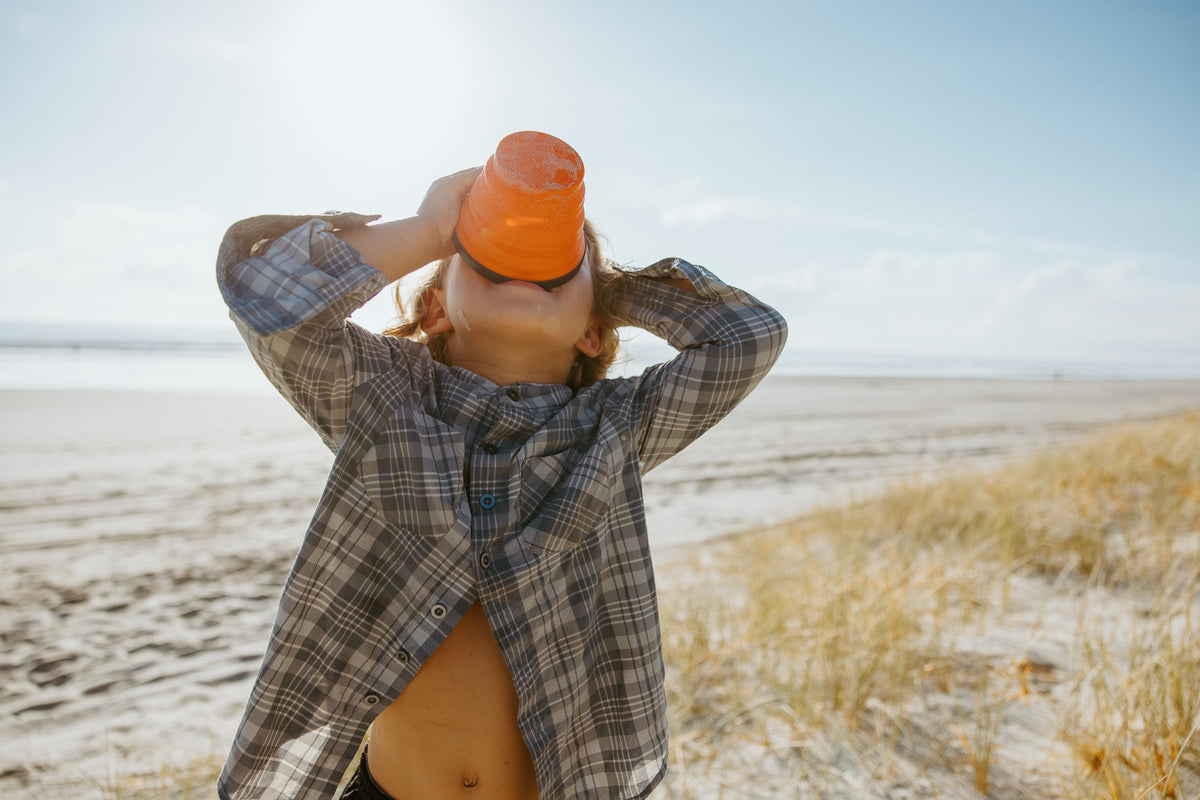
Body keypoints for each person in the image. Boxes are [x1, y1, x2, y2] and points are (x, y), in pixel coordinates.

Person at [215, 132, 787, 800]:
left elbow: (749, 335)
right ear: (433, 309)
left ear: (593, 332)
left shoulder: (617, 427)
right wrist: (432, 229)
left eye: (562, 273)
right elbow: (268, 296)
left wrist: (598, 278)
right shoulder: (378, 396)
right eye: (479, 256)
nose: (524, 265)